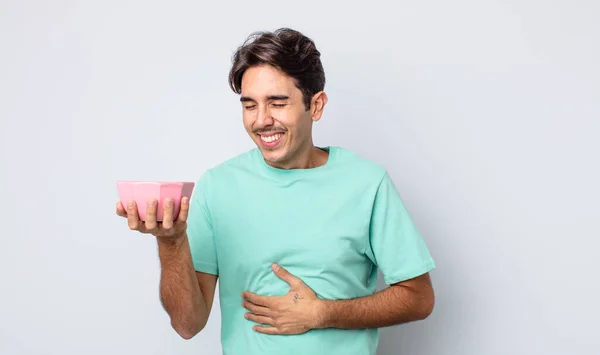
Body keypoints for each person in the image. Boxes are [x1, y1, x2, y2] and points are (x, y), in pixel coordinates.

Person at [116, 27, 436, 355]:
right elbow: (187, 325)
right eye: (250, 105)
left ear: (316, 105)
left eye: (277, 103)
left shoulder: (367, 184)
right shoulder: (217, 187)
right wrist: (171, 243)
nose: (262, 120)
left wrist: (322, 313)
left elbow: (419, 297)